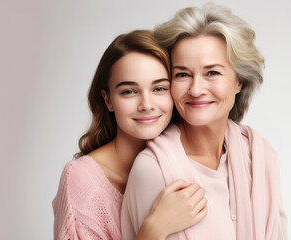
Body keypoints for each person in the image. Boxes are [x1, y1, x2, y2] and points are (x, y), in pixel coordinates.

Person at [121, 3, 287, 240]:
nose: (196, 89)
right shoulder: (152, 168)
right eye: (182, 75)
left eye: (212, 73)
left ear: (239, 81)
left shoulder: (260, 157)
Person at [52, 30, 207, 240]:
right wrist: (153, 230)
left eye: (159, 88)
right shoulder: (80, 179)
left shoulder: (185, 163)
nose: (147, 105)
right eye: (129, 91)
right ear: (108, 100)